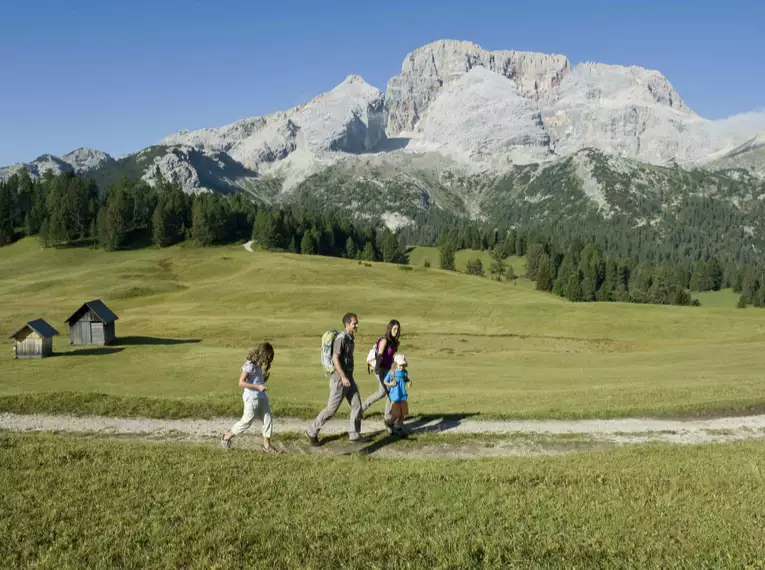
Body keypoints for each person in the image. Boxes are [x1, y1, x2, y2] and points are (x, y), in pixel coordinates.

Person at [306, 313, 365, 445]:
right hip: (340, 379)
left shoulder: (350, 338)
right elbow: (335, 358)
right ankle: (311, 431)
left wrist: (348, 377)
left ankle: (354, 435)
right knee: (331, 409)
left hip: (349, 378)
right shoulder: (341, 338)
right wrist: (343, 377)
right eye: (354, 323)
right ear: (347, 324)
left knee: (357, 405)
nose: (357, 325)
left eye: (357, 322)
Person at [220, 343, 279, 453]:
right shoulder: (250, 365)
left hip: (262, 397)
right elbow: (241, 383)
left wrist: (263, 380)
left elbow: (255, 380)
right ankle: (226, 437)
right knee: (246, 422)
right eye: (268, 357)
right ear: (263, 354)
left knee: (268, 420)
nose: (269, 360)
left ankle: (267, 447)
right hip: (251, 399)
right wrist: (257, 386)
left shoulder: (258, 365)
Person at [361, 319, 401, 433]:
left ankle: (387, 419)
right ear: (390, 329)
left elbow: (391, 357)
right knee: (385, 392)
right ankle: (386, 419)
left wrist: (392, 369)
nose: (396, 331)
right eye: (394, 329)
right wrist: (378, 369)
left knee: (385, 393)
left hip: (387, 369)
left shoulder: (394, 342)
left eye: (398, 329)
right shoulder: (385, 340)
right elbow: (380, 354)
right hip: (380, 369)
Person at [383, 353, 411, 435]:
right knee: (396, 414)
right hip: (394, 396)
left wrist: (409, 382)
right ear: (395, 364)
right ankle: (389, 423)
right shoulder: (392, 373)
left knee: (403, 414)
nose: (402, 367)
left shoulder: (404, 372)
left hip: (402, 395)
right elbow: (385, 381)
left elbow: (406, 379)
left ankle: (398, 427)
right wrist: (390, 384)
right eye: (400, 365)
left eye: (403, 365)